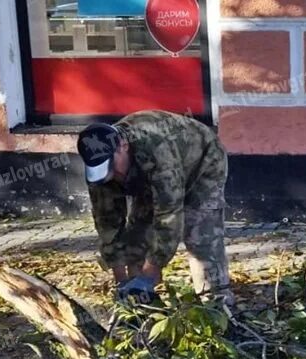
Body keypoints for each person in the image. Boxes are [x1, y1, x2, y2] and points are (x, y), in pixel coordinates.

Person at [76, 110, 233, 304]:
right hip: (147, 174)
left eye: (112, 168)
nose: (111, 176)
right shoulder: (98, 167)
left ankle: (217, 304)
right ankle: (140, 304)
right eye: (103, 172)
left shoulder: (158, 150)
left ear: (123, 146)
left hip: (203, 161)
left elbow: (169, 216)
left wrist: (150, 274)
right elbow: (107, 223)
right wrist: (121, 280)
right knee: (137, 235)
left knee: (200, 235)